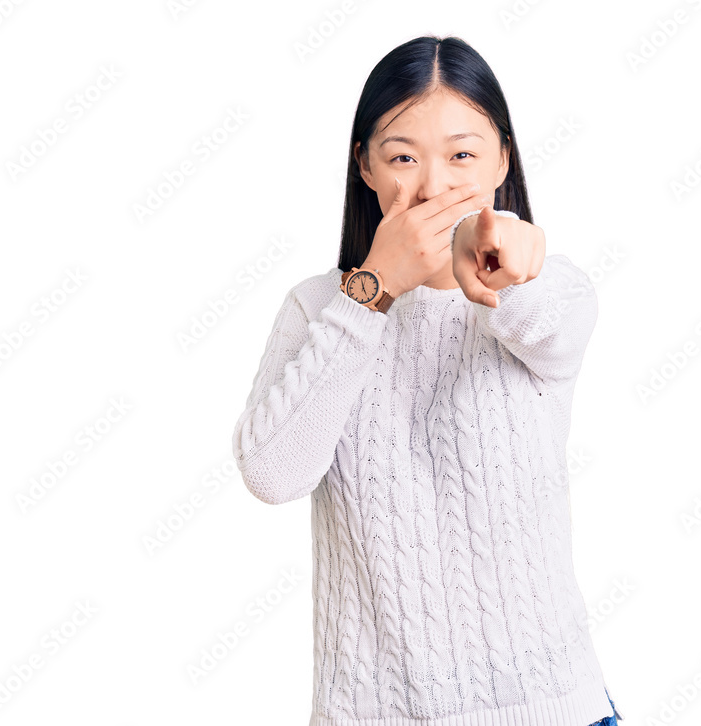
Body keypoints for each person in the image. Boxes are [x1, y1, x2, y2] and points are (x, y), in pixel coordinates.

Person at [231, 34, 623, 726]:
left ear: (503, 158)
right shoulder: (320, 309)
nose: (434, 184)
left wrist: (511, 268)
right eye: (403, 156)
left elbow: (548, 327)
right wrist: (371, 293)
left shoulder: (549, 289)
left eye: (463, 154)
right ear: (365, 167)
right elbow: (272, 472)